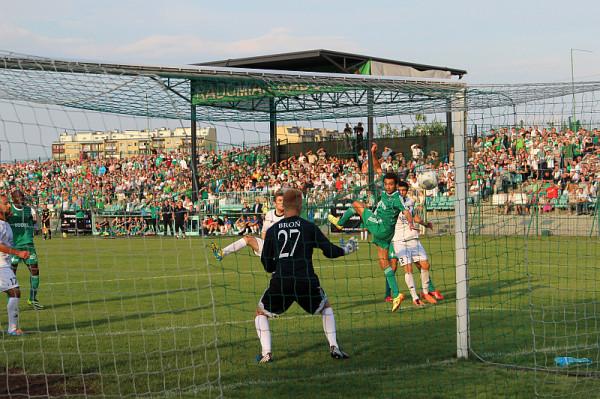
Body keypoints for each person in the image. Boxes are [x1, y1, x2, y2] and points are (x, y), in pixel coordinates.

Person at [255, 188, 357, 363]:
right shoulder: (309, 227)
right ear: (300, 205)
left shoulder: (272, 230)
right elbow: (329, 251)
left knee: (260, 313)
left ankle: (266, 353)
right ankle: (334, 347)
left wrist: (275, 267)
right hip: (305, 280)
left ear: (284, 206)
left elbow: (266, 262)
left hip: (282, 281)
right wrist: (347, 249)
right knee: (326, 307)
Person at [327, 143, 417, 312]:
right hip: (386, 233)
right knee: (383, 262)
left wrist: (411, 222)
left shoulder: (397, 198)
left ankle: (339, 223)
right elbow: (377, 169)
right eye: (387, 184)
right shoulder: (386, 190)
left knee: (356, 204)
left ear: (396, 185)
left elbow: (405, 212)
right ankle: (396, 294)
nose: (388, 186)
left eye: (391, 184)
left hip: (379, 226)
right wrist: (373, 153)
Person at [386, 181, 444, 306]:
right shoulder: (392, 203)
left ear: (407, 191)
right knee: (408, 269)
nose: (401, 192)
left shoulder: (410, 202)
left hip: (413, 238)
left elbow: (413, 216)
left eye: (404, 190)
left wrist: (425, 224)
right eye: (399, 190)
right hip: (399, 241)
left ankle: (425, 292)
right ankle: (415, 298)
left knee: (425, 265)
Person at [211, 191, 285, 260]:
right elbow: (264, 232)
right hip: (269, 246)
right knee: (247, 238)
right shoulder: (269, 214)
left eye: (284, 201)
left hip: (283, 250)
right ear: (275, 203)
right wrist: (265, 246)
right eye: (280, 201)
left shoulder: (290, 216)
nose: (282, 203)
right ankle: (221, 253)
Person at [8, 190, 44, 310]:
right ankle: (12, 303)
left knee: (35, 271)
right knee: (11, 274)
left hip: (28, 245)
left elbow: (36, 223)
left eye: (22, 196)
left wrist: (34, 212)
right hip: (13, 246)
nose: (21, 199)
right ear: (13, 198)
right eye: (18, 197)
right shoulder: (8, 210)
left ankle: (32, 299)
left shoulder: (29, 209)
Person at [0, 194, 30, 335]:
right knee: (14, 291)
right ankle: (12, 328)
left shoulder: (5, 223)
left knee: (13, 292)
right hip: (1, 265)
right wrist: (17, 253)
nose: (8, 206)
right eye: (5, 204)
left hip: (3, 263)